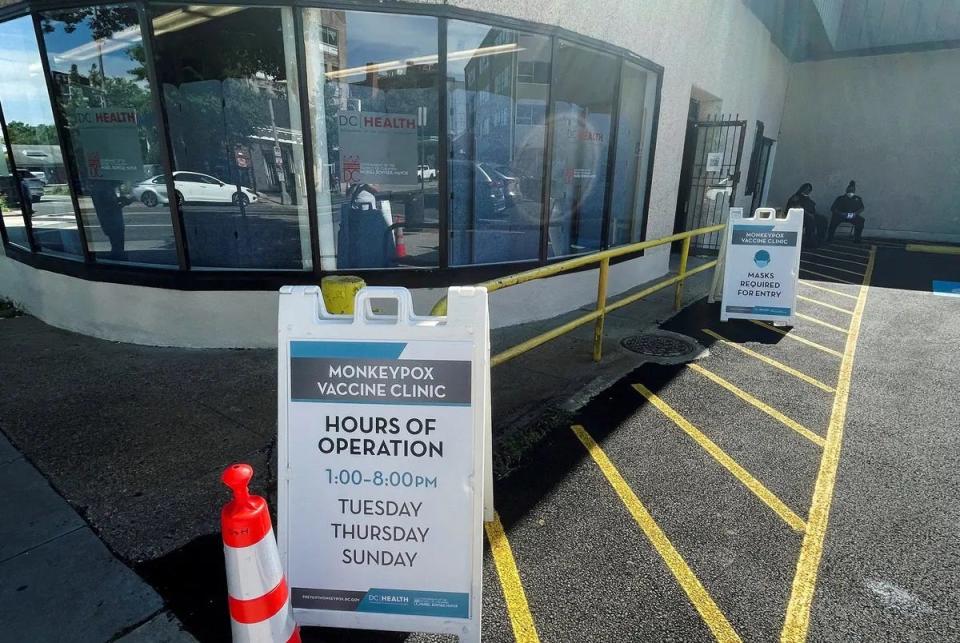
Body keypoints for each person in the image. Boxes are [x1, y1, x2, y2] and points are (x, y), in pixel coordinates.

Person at [785, 182, 826, 247]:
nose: (807, 191)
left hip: (809, 214)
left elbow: (812, 207)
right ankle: (809, 240)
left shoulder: (807, 198)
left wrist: (816, 214)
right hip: (798, 216)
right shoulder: (796, 197)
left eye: (809, 189)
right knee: (810, 220)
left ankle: (820, 238)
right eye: (806, 189)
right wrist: (809, 214)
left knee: (823, 219)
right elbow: (797, 207)